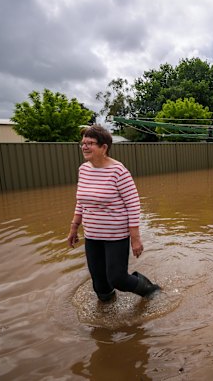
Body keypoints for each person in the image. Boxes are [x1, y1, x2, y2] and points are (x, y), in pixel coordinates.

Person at [67, 125, 160, 301]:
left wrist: (135, 238)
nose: (85, 147)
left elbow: (133, 204)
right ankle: (108, 318)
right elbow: (81, 201)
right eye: (83, 143)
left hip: (115, 235)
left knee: (118, 278)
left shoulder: (118, 171)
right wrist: (74, 228)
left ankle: (152, 291)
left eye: (90, 143)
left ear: (104, 147)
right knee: (99, 284)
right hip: (92, 235)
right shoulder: (83, 170)